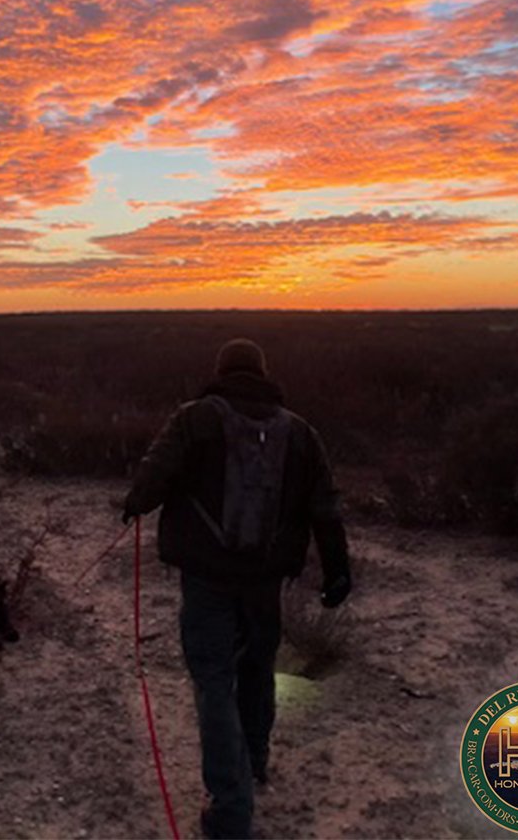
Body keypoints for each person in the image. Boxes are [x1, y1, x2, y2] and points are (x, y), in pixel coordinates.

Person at [123, 338, 351, 840]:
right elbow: (325, 508)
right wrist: (338, 570)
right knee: (256, 668)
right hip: (266, 579)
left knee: (212, 681)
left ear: (221, 371)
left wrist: (135, 502)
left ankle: (230, 810)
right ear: (262, 374)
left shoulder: (194, 418)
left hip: (206, 575)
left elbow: (153, 478)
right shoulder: (301, 432)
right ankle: (256, 762)